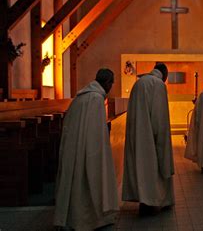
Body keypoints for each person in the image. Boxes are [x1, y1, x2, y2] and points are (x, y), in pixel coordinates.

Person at [54, 69, 118, 230]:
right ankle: (89, 219)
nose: (111, 87)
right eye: (112, 83)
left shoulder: (81, 97)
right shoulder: (95, 99)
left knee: (75, 182)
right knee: (88, 180)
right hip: (87, 148)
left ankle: (72, 218)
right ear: (107, 82)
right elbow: (95, 133)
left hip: (73, 147)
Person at [122, 62, 175, 216]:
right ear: (164, 75)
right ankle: (155, 201)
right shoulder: (158, 85)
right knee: (154, 168)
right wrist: (162, 140)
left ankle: (143, 201)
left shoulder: (138, 84)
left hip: (137, 134)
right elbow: (159, 117)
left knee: (140, 168)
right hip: (151, 136)